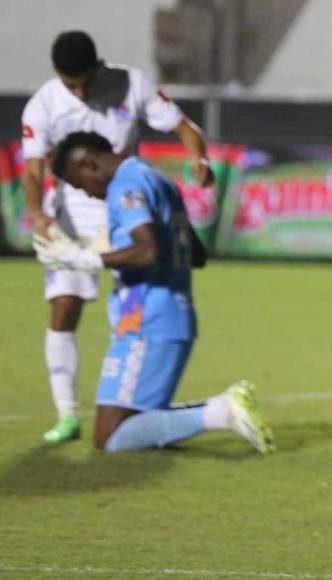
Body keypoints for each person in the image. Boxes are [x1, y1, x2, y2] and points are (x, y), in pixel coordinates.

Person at [21, 30, 214, 443]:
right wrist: (38, 215)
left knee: (142, 292)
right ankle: (67, 414)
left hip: (125, 200)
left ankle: (135, 389)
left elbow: (184, 127)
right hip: (73, 214)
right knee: (65, 306)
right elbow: (34, 170)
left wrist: (198, 156)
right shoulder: (43, 105)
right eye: (70, 84)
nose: (80, 90)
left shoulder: (132, 83)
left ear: (99, 66)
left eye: (85, 80)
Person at [33, 131, 274, 455]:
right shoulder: (159, 180)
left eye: (80, 185)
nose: (88, 195)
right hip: (169, 316)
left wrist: (83, 259)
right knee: (128, 424)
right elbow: (196, 254)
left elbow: (147, 251)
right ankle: (221, 409)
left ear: (88, 164)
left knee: (111, 437)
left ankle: (220, 411)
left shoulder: (127, 185)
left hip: (147, 322)